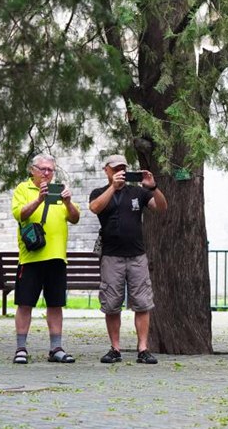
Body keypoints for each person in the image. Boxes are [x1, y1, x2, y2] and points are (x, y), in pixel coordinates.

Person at [89, 155, 167, 365]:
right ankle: (115, 348)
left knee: (142, 303)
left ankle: (143, 348)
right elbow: (95, 208)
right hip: (111, 257)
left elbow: (161, 207)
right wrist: (113, 188)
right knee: (112, 304)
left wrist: (153, 188)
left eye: (123, 168)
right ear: (107, 170)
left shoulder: (137, 192)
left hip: (136, 255)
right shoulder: (99, 193)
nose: (120, 172)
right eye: (115, 169)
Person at [11, 154, 81, 364]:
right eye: (42, 169)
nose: (46, 173)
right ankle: (21, 348)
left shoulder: (59, 190)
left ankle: (56, 348)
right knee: (25, 303)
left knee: (55, 304)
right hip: (31, 257)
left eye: (50, 169)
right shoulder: (23, 189)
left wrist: (68, 202)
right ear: (32, 170)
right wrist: (39, 199)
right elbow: (19, 214)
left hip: (57, 257)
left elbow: (75, 218)